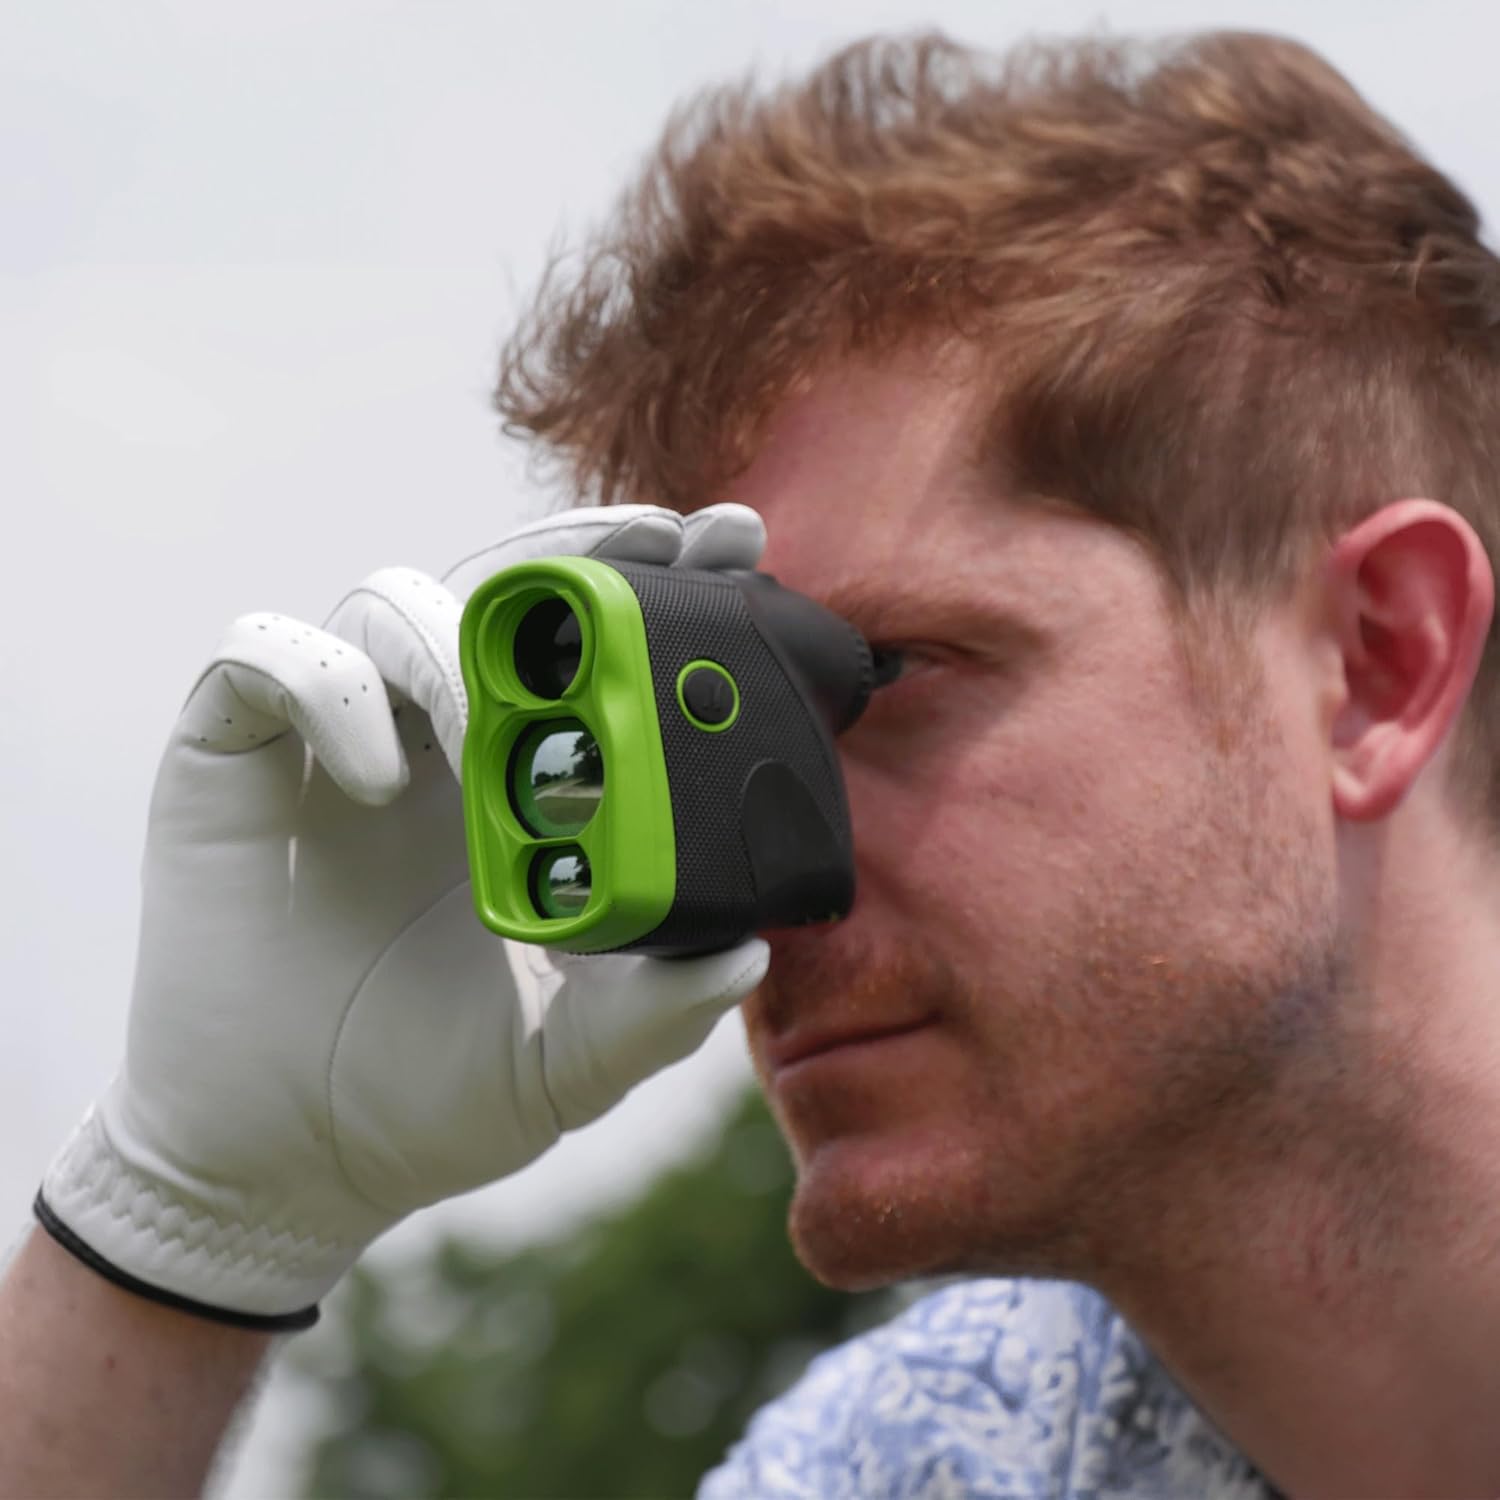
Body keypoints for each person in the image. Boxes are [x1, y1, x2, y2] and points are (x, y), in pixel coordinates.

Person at [4, 25, 1500, 1498]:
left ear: (1378, 664)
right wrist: (189, 1227)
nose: (750, 884)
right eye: (701, 711)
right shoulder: (924, 1462)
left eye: (880, 674)